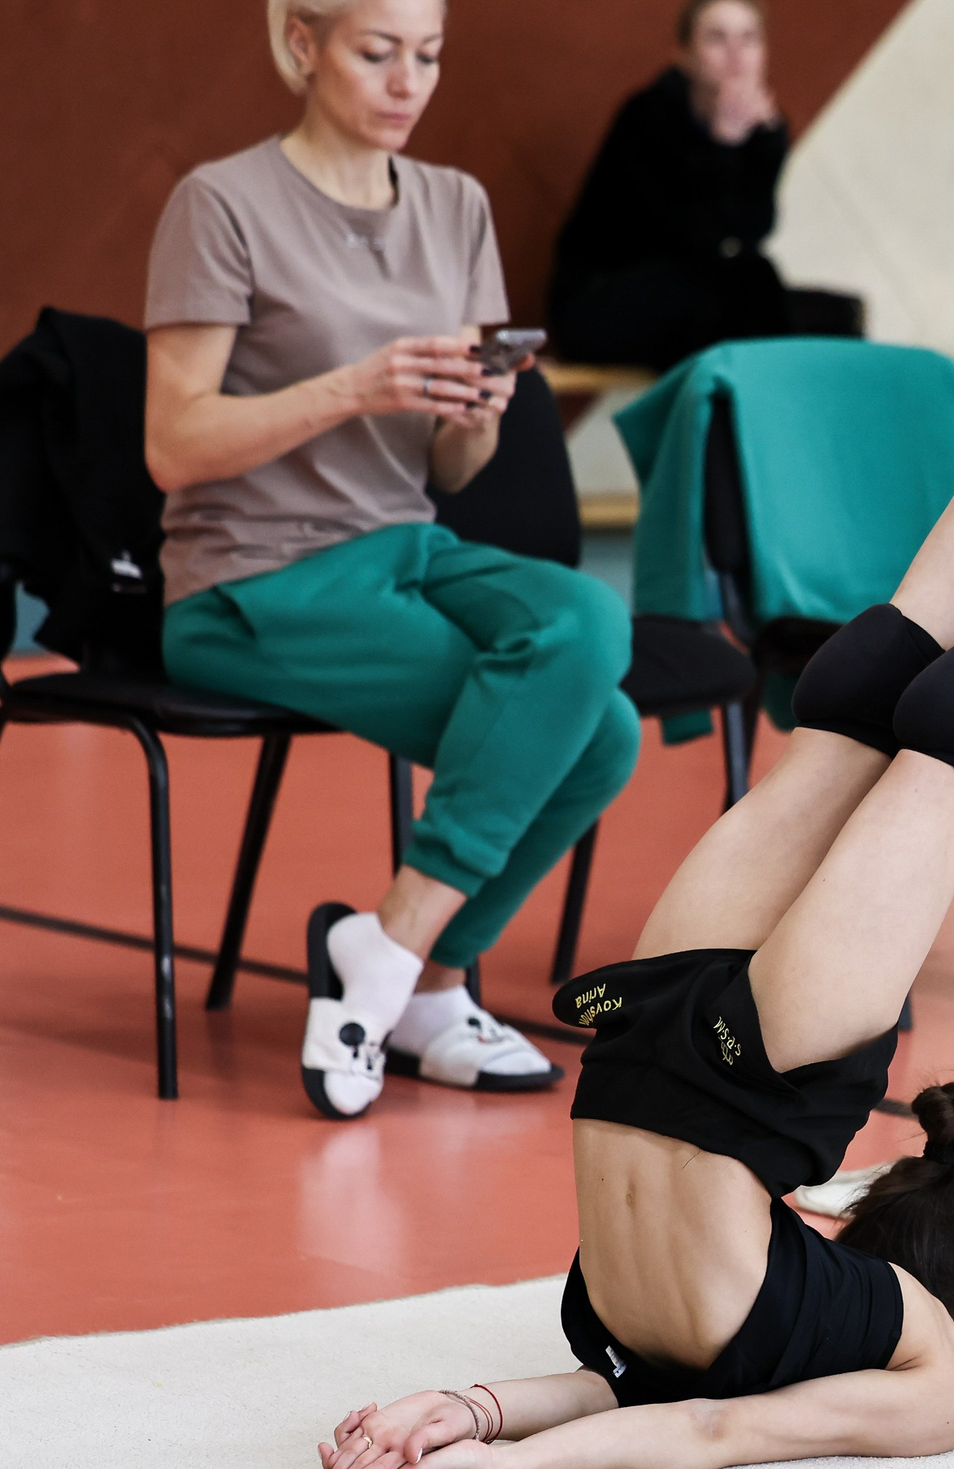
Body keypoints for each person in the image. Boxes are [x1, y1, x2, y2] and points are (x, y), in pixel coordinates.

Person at [311, 182, 954, 1469]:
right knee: (890, 719)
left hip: (747, 1053)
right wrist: (480, 1442)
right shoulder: (861, 1345)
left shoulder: (832, 1338)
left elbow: (673, 1415)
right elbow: (668, 1412)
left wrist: (482, 1438)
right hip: (645, 1037)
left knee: (917, 724)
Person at [146, 0, 639, 1120]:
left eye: (427, 56)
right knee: (589, 729)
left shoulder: (457, 206)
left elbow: (455, 470)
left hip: (404, 538)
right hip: (248, 575)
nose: (407, 81)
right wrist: (359, 385)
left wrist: (477, 410)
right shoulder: (219, 203)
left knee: (589, 648)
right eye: (378, 53)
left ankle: (392, 955)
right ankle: (427, 980)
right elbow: (172, 445)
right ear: (303, 43)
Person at [549, 0, 795, 369]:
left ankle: (767, 412)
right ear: (685, 56)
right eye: (716, 38)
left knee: (759, 279)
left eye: (749, 39)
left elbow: (753, 228)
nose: (735, 55)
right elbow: (690, 233)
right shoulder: (648, 116)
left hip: (684, 297)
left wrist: (759, 144)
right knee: (726, 293)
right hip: (599, 300)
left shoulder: (764, 131)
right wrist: (723, 144)